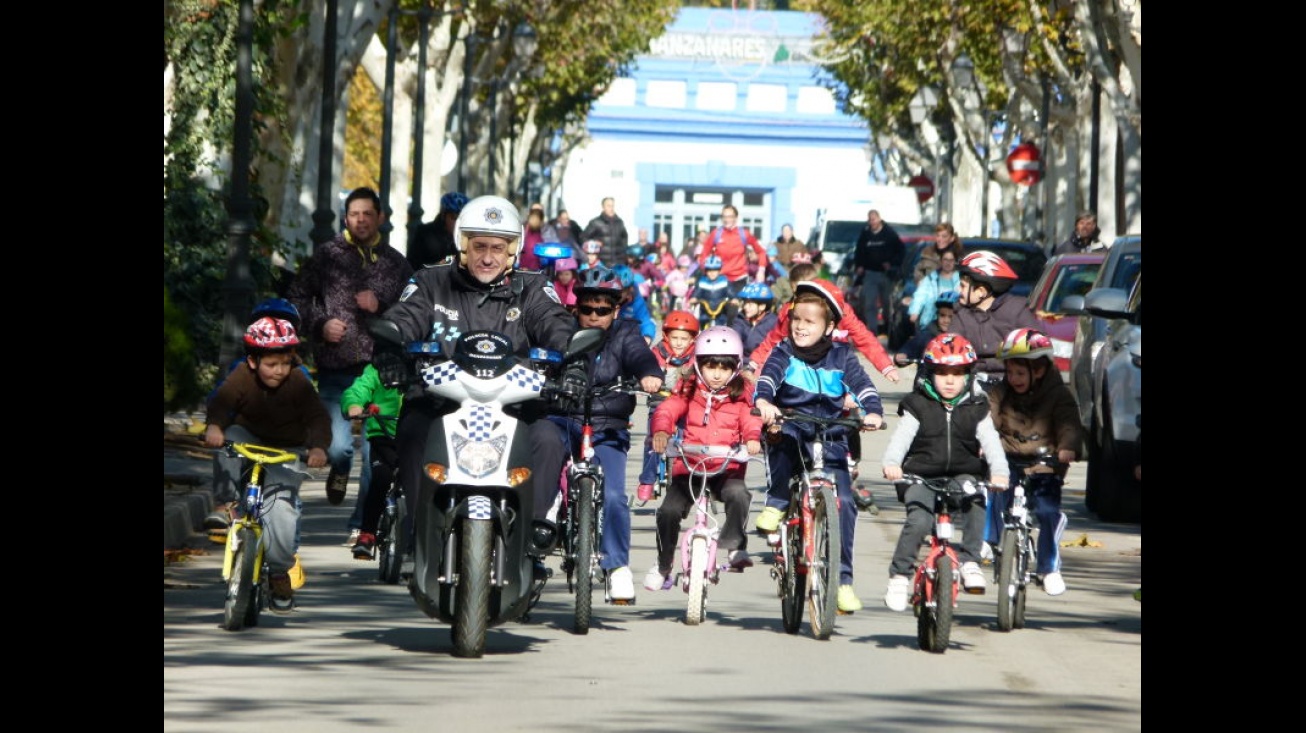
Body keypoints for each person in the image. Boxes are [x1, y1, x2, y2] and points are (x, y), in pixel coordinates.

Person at [371, 195, 576, 574]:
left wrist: (572, 360)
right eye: (479, 246)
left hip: (515, 406)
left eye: (497, 248)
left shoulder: (533, 287)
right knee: (413, 428)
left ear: (512, 249)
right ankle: (420, 533)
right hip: (441, 402)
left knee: (549, 438)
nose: (487, 257)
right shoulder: (431, 280)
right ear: (462, 245)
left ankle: (532, 534)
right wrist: (391, 345)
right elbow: (405, 317)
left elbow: (557, 324)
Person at [287, 186, 413, 546]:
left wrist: (383, 303)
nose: (360, 220)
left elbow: (416, 309)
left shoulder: (395, 263)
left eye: (367, 214)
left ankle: (363, 525)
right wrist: (320, 323)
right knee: (339, 447)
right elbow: (297, 296)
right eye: (354, 214)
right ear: (346, 217)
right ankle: (339, 470)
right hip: (335, 368)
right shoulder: (327, 256)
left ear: (380, 219)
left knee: (377, 453)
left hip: (382, 371)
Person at [753, 284, 885, 612]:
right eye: (796, 319)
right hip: (792, 422)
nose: (800, 326)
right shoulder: (784, 351)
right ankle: (778, 501)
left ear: (829, 328)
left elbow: (864, 386)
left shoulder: (842, 356)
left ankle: (842, 583)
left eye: (809, 322)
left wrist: (873, 412)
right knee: (781, 441)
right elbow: (767, 377)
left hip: (830, 432)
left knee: (844, 501)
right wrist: (765, 400)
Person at [546, 266, 663, 602]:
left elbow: (641, 357)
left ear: (616, 309)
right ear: (575, 308)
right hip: (561, 419)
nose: (593, 316)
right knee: (538, 469)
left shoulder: (626, 332)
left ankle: (617, 568)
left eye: (602, 309)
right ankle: (531, 552)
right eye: (586, 309)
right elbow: (542, 359)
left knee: (612, 496)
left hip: (606, 427)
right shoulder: (560, 331)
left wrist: (648, 375)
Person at [204, 317, 331, 613]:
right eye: (271, 364)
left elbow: (318, 417)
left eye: (285, 363)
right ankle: (225, 505)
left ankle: (278, 573)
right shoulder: (241, 375)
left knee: (283, 511)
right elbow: (221, 402)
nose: (279, 371)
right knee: (229, 440)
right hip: (249, 438)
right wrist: (214, 427)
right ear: (252, 360)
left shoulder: (298, 382)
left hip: (286, 450)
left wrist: (317, 447)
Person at [880, 333, 1009, 612]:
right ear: (930, 374)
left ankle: (970, 561)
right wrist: (892, 463)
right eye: (942, 373)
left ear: (968, 375)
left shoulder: (978, 406)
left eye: (957, 373)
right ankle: (900, 576)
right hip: (921, 476)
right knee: (919, 520)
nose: (950, 381)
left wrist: (999, 472)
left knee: (975, 502)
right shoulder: (918, 404)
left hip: (963, 474)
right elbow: (901, 438)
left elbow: (991, 442)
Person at [645, 326, 763, 590]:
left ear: (735, 367)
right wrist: (662, 431)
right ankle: (663, 565)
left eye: (724, 367)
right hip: (689, 467)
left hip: (726, 467)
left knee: (739, 495)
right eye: (711, 366)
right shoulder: (688, 390)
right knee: (668, 511)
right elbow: (668, 409)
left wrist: (753, 438)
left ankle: (734, 547)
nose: (717, 374)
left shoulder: (741, 395)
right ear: (698, 365)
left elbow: (749, 419)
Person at [985, 328, 1083, 596]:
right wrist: (983, 442)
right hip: (1008, 459)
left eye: (1020, 373)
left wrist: (1067, 448)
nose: (1013, 378)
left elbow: (1069, 425)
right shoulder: (999, 393)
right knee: (994, 493)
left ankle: (1049, 567)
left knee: (1047, 511)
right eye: (1010, 372)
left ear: (1038, 370)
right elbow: (988, 419)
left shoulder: (1058, 394)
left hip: (1045, 463)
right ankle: (989, 541)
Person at [747, 264, 901, 384]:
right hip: (800, 366)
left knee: (850, 397)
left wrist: (886, 367)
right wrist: (754, 365)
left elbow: (863, 338)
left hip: (835, 367)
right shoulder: (791, 310)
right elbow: (774, 339)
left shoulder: (842, 311)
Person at [946, 250, 1040, 384]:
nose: (958, 291)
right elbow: (951, 349)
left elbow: (1038, 348)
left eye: (963, 286)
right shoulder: (961, 315)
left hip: (1012, 383)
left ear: (981, 292)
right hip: (973, 384)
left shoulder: (1016, 310)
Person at [339, 362, 403, 561]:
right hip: (383, 437)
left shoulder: (432, 368)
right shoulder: (377, 369)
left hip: (418, 438)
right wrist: (354, 404)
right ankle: (367, 533)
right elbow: (358, 389)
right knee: (380, 479)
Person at [635, 310, 699, 503]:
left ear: (692, 340)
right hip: (659, 402)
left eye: (684, 339)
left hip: (685, 405)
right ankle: (647, 480)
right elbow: (643, 369)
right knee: (652, 442)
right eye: (675, 338)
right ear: (666, 337)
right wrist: (645, 379)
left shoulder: (696, 357)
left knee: (688, 438)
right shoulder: (656, 353)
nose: (679, 343)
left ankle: (687, 476)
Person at [700, 204, 769, 322]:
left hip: (739, 278)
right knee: (713, 311)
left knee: (733, 311)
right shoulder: (716, 234)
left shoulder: (744, 234)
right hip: (720, 279)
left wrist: (761, 271)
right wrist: (706, 270)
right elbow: (704, 254)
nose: (727, 219)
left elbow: (761, 252)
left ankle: (733, 337)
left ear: (736, 218)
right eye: (724, 216)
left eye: (730, 216)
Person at [851, 209, 905, 336]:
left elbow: (901, 251)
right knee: (870, 303)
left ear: (879, 219)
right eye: (870, 220)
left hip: (886, 274)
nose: (872, 222)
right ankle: (873, 330)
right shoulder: (865, 234)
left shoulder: (889, 233)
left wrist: (892, 263)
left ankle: (888, 326)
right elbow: (859, 251)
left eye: (874, 219)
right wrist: (859, 266)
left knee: (887, 303)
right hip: (870, 273)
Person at [407, 191, 469, 270]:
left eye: (462, 218)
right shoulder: (425, 234)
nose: (458, 223)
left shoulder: (468, 237)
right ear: (443, 216)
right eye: (453, 218)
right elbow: (413, 265)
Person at [895, 291, 959, 366]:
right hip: (928, 375)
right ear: (937, 315)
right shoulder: (927, 334)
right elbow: (911, 346)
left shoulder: (964, 336)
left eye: (950, 317)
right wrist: (903, 354)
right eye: (942, 315)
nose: (946, 320)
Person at [907, 245, 961, 332]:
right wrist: (915, 311)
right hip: (931, 321)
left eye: (951, 260)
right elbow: (920, 295)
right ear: (940, 261)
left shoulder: (961, 280)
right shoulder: (930, 279)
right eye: (945, 260)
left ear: (955, 262)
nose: (948, 263)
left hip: (953, 323)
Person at [612, 264, 658, 343]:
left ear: (629, 290)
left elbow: (645, 322)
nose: (615, 294)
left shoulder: (635, 300)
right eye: (613, 289)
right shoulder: (603, 298)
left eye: (620, 291)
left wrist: (647, 337)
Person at [580, 197, 630, 269]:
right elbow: (583, 237)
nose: (611, 208)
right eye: (609, 206)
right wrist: (593, 243)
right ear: (603, 207)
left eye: (612, 206)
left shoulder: (619, 222)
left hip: (618, 263)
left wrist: (623, 253)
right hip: (602, 263)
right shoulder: (595, 222)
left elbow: (624, 237)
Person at [731, 281, 778, 357]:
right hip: (741, 359)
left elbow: (772, 347)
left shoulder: (772, 323)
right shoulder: (740, 318)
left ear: (762, 306)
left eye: (750, 304)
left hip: (761, 362)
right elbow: (734, 338)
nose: (746, 307)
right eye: (745, 303)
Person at [693, 254, 732, 329]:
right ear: (706, 271)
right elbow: (697, 292)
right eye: (709, 270)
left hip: (720, 311)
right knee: (700, 323)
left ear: (719, 270)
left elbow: (730, 291)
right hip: (705, 310)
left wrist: (734, 299)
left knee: (723, 324)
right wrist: (694, 298)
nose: (712, 273)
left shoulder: (724, 281)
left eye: (715, 270)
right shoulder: (703, 281)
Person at [517, 203, 546, 271]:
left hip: (538, 268)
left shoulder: (546, 230)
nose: (533, 220)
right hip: (524, 266)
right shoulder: (523, 228)